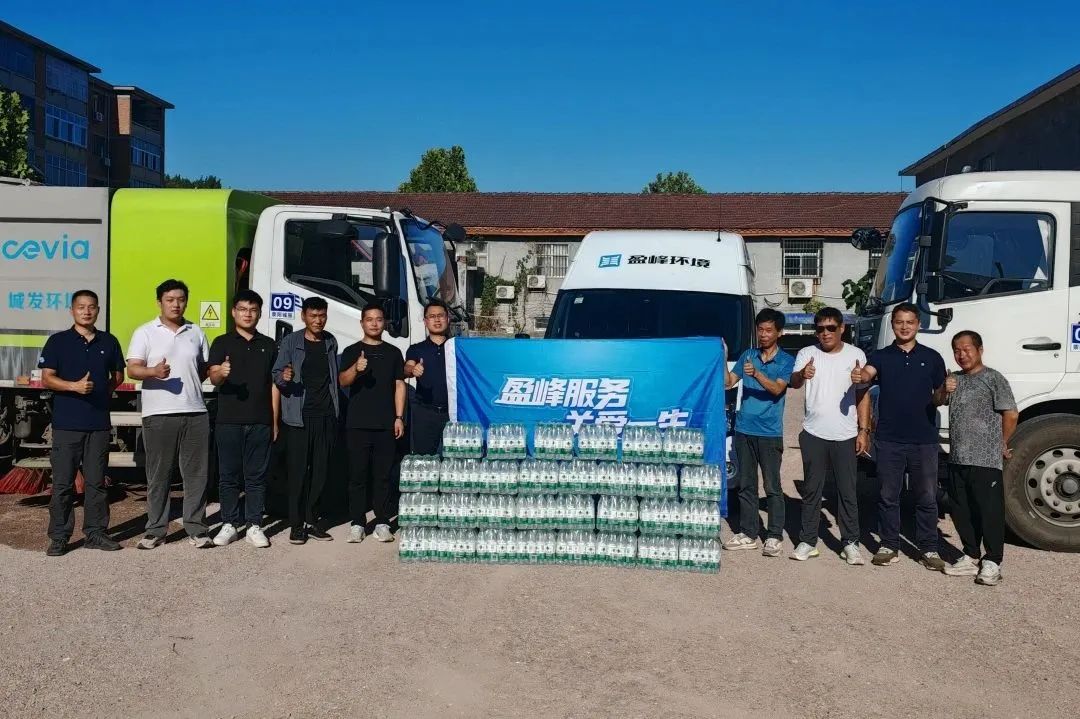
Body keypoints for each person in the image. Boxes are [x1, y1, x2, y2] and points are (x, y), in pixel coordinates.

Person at [856, 302, 948, 570]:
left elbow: (939, 398)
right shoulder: (881, 356)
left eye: (910, 322)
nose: (904, 327)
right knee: (888, 496)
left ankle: (929, 548)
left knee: (927, 497)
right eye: (899, 322)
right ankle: (889, 545)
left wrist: (945, 390)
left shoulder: (932, 357)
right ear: (893, 325)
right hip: (889, 439)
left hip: (924, 439)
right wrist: (860, 375)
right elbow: (867, 374)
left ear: (918, 325)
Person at [126, 279, 212, 549]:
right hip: (159, 413)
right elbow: (132, 369)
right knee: (159, 475)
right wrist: (153, 372)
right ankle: (155, 530)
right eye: (170, 300)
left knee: (196, 475)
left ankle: (196, 528)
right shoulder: (145, 332)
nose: (176, 304)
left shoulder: (196, 332)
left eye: (181, 299)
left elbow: (202, 369)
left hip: (195, 411)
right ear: (159, 302)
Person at [39, 290, 125, 556]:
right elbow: (47, 378)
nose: (86, 311)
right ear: (72, 310)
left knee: (96, 483)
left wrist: (101, 392)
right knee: (63, 484)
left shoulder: (109, 341)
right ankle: (59, 536)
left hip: (98, 423)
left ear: (98, 310)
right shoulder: (58, 342)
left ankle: (96, 533)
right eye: (81, 307)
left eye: (91, 307)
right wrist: (73, 387)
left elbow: (118, 376)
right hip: (67, 424)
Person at [789, 307, 872, 564]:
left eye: (831, 328)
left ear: (842, 328)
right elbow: (794, 382)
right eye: (820, 329)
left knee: (847, 491)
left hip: (845, 434)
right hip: (814, 432)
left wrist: (863, 430)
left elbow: (863, 394)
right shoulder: (807, 353)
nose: (825, 333)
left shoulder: (856, 354)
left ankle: (850, 543)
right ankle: (808, 541)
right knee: (812, 490)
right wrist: (802, 374)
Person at [939, 331, 1017, 586]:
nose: (962, 355)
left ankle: (993, 561)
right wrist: (943, 389)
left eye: (967, 349)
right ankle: (971, 555)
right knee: (961, 510)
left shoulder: (993, 378)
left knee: (989, 511)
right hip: (957, 457)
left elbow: (1011, 414)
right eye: (957, 350)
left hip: (985, 458)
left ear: (980, 350)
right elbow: (936, 401)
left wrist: (1001, 442)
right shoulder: (954, 378)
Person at [721, 308, 795, 557]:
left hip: (770, 433)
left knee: (772, 486)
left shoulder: (786, 361)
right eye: (760, 330)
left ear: (779, 333)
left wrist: (757, 374)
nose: (763, 334)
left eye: (768, 330)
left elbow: (777, 389)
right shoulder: (748, 355)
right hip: (744, 430)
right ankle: (748, 533)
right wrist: (723, 357)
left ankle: (774, 536)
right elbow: (728, 383)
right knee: (746, 485)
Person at [207, 290, 278, 548]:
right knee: (228, 476)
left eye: (253, 310)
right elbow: (213, 377)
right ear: (233, 312)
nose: (248, 314)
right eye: (243, 309)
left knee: (256, 477)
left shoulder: (269, 345)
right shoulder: (222, 342)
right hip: (228, 420)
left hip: (260, 420)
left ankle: (254, 525)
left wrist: (275, 421)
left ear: (259, 313)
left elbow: (274, 385)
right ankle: (229, 523)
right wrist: (222, 373)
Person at [272, 296, 339, 545]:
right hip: (298, 418)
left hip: (326, 415)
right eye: (313, 315)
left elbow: (332, 378)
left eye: (322, 315)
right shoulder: (291, 341)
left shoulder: (330, 341)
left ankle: (312, 521)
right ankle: (296, 525)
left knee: (321, 473)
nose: (318, 320)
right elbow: (276, 374)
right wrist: (284, 376)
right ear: (303, 316)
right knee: (298, 473)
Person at [339, 304, 406, 544]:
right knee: (357, 476)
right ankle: (357, 523)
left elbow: (399, 385)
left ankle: (382, 522)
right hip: (357, 423)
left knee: (382, 476)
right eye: (369, 319)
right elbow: (343, 381)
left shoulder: (394, 352)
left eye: (379, 319)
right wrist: (356, 369)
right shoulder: (351, 351)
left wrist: (399, 417)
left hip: (386, 424)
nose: (374, 323)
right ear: (362, 323)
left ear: (384, 323)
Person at [405, 300, 451, 455]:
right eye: (432, 316)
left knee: (454, 461)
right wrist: (413, 369)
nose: (437, 320)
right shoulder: (416, 349)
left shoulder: (457, 347)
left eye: (440, 316)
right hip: (425, 413)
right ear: (425, 321)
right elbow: (406, 368)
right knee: (423, 460)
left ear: (448, 319)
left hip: (453, 414)